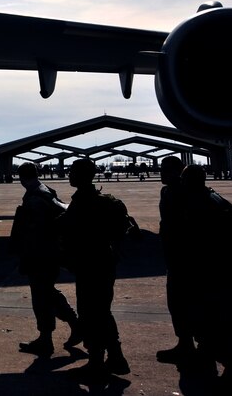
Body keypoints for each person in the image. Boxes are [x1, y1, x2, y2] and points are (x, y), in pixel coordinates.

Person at [178, 165, 232, 395]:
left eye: (184, 179)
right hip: (224, 274)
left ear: (190, 182)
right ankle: (214, 362)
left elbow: (200, 242)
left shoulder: (199, 204)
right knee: (216, 323)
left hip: (216, 275)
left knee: (221, 323)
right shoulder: (214, 197)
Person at [56, 158, 133, 378]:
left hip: (90, 263)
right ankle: (115, 357)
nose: (69, 175)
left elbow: (65, 224)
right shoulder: (102, 200)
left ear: (82, 176)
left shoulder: (84, 201)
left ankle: (99, 361)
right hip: (104, 262)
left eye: (72, 172)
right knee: (101, 311)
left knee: (91, 312)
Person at [10, 162, 80, 356]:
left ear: (20, 177)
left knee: (41, 297)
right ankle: (74, 324)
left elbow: (37, 231)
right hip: (49, 253)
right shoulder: (46, 190)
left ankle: (46, 339)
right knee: (47, 293)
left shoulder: (34, 198)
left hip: (40, 254)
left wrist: (24, 254)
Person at [155, 156, 198, 365]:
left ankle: (197, 346)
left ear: (179, 171)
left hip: (187, 258)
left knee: (188, 301)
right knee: (176, 302)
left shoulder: (187, 193)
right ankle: (185, 342)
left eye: (167, 169)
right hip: (172, 256)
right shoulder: (166, 191)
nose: (162, 172)